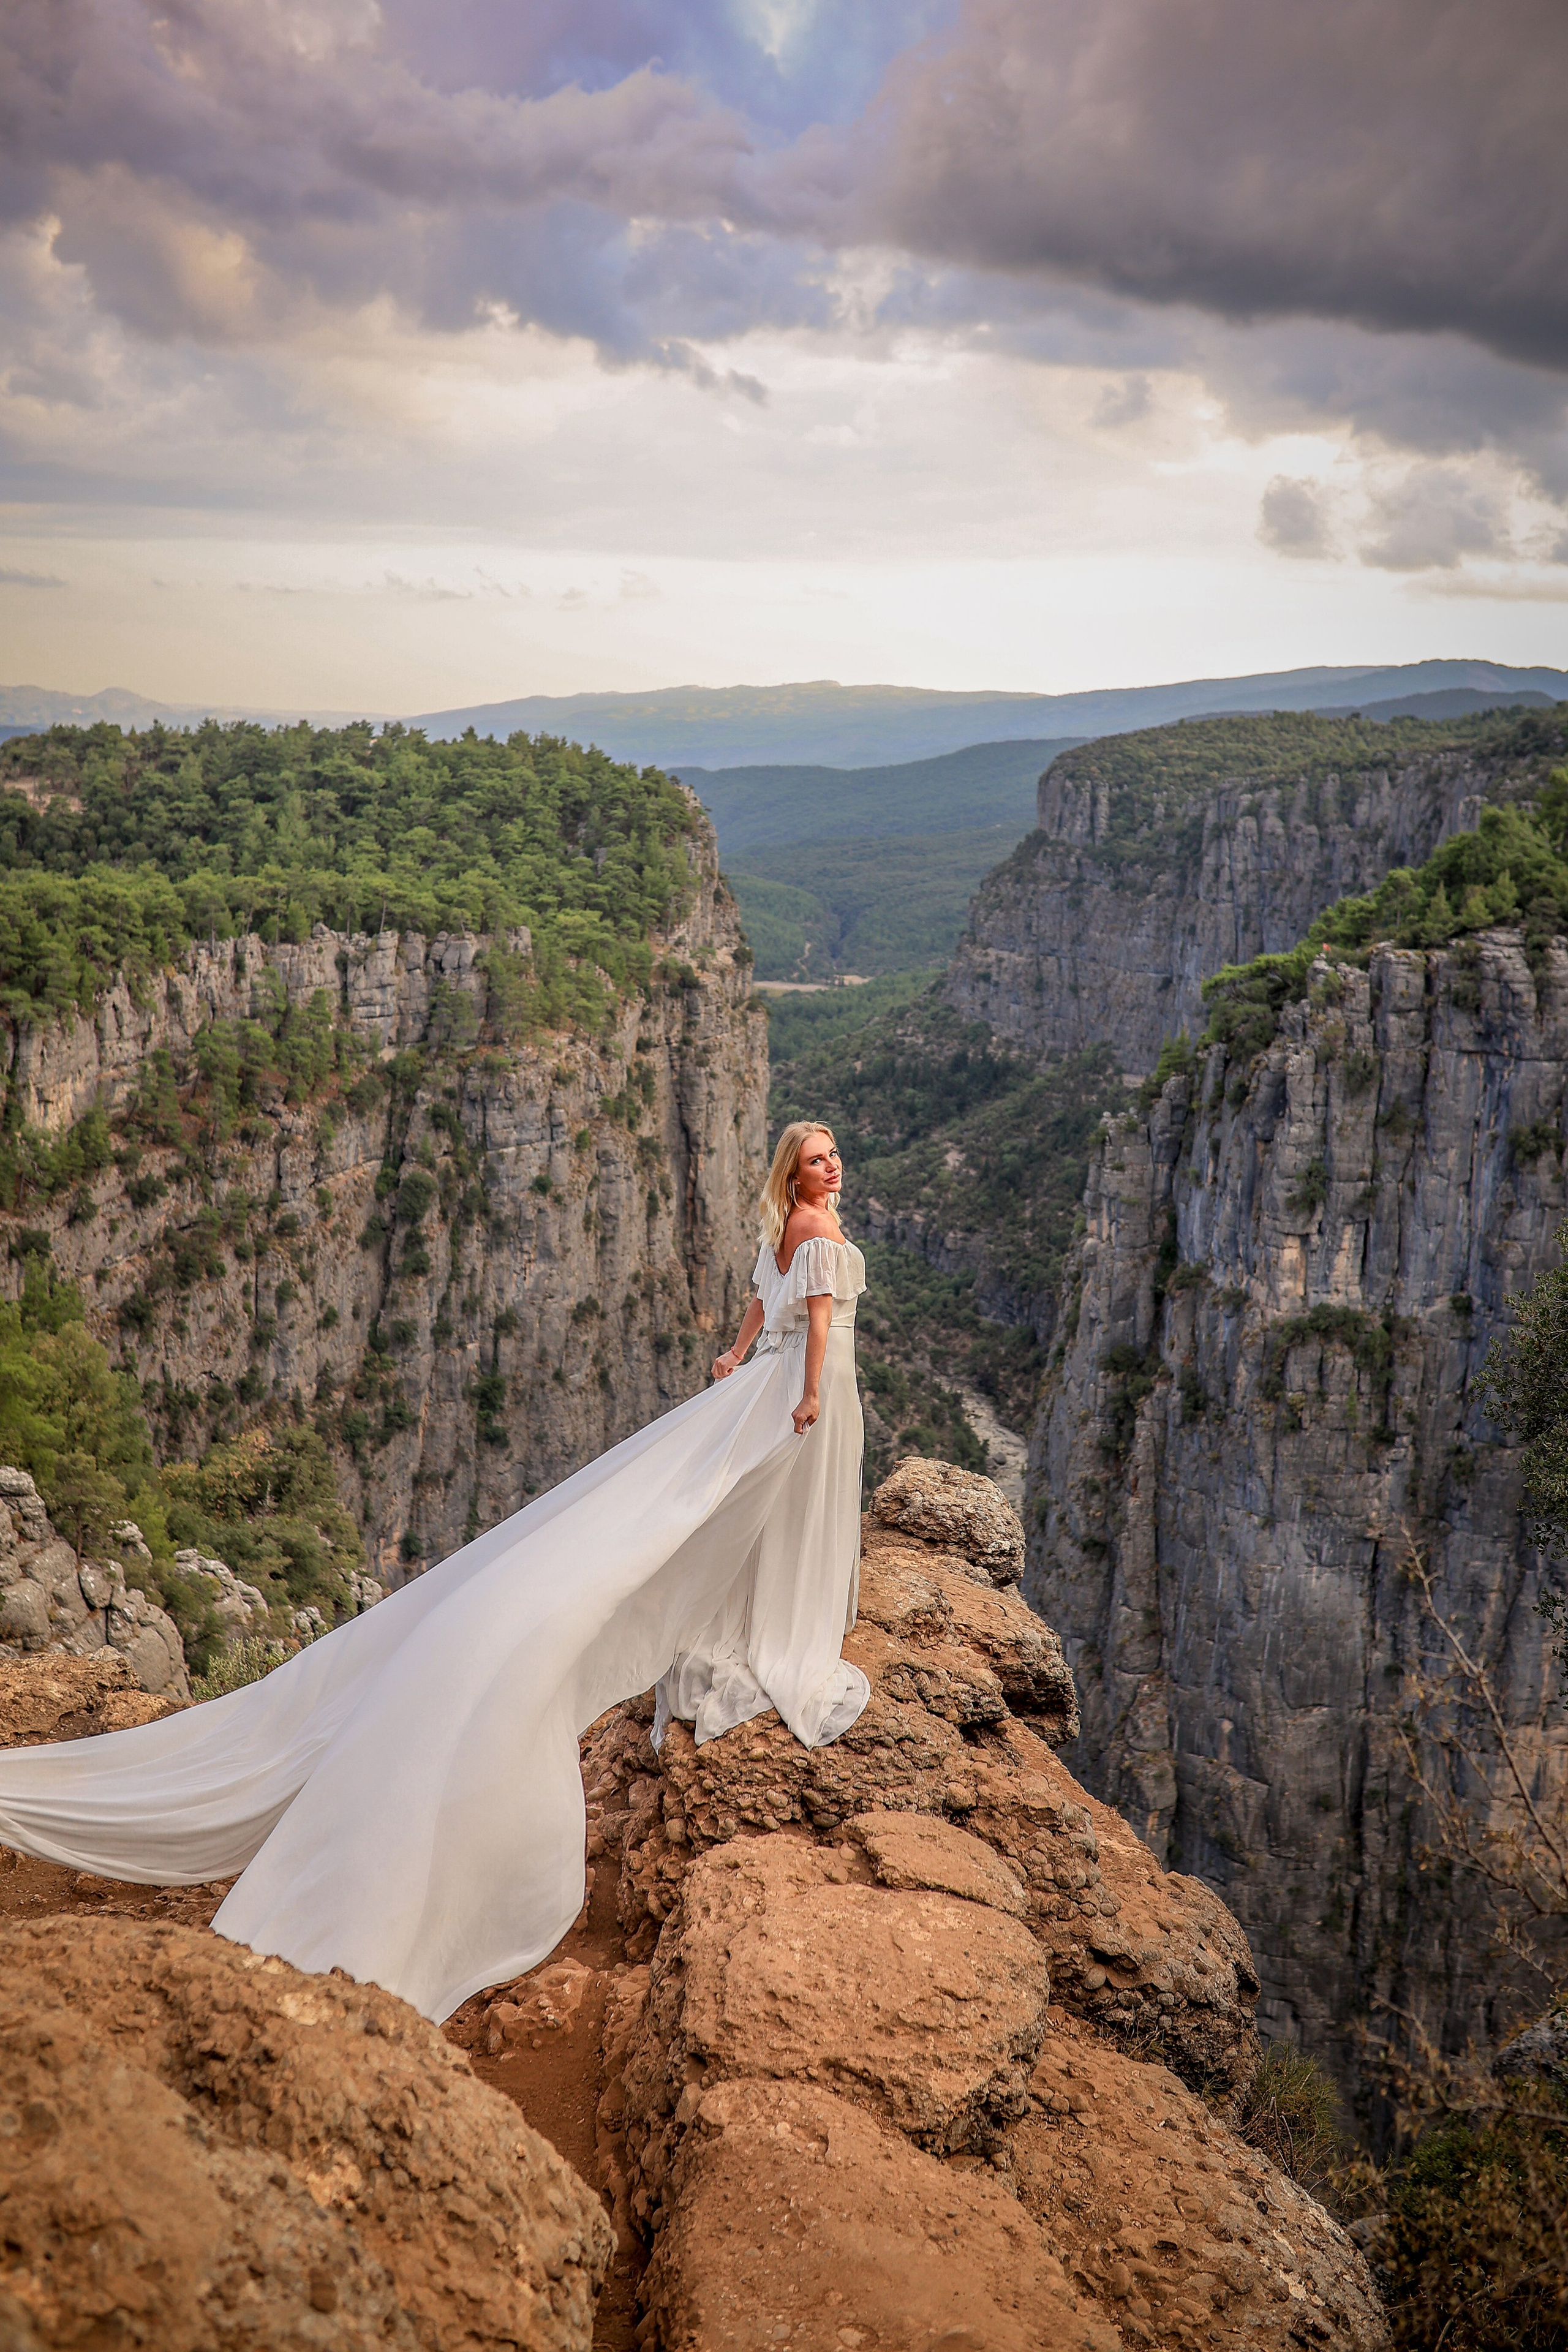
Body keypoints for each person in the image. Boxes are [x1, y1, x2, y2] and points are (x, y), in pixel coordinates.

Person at [0, 1123, 869, 2021]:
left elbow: (759, 1304)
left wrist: (732, 1357)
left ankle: (740, 1612)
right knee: (757, 1511)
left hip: (760, 1386)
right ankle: (767, 1620)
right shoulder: (821, 1233)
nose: (830, 1165)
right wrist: (803, 1391)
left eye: (833, 1154)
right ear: (792, 1172)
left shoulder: (786, 1227)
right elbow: (808, 1321)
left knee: (713, 1512)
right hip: (801, 1391)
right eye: (815, 1158)